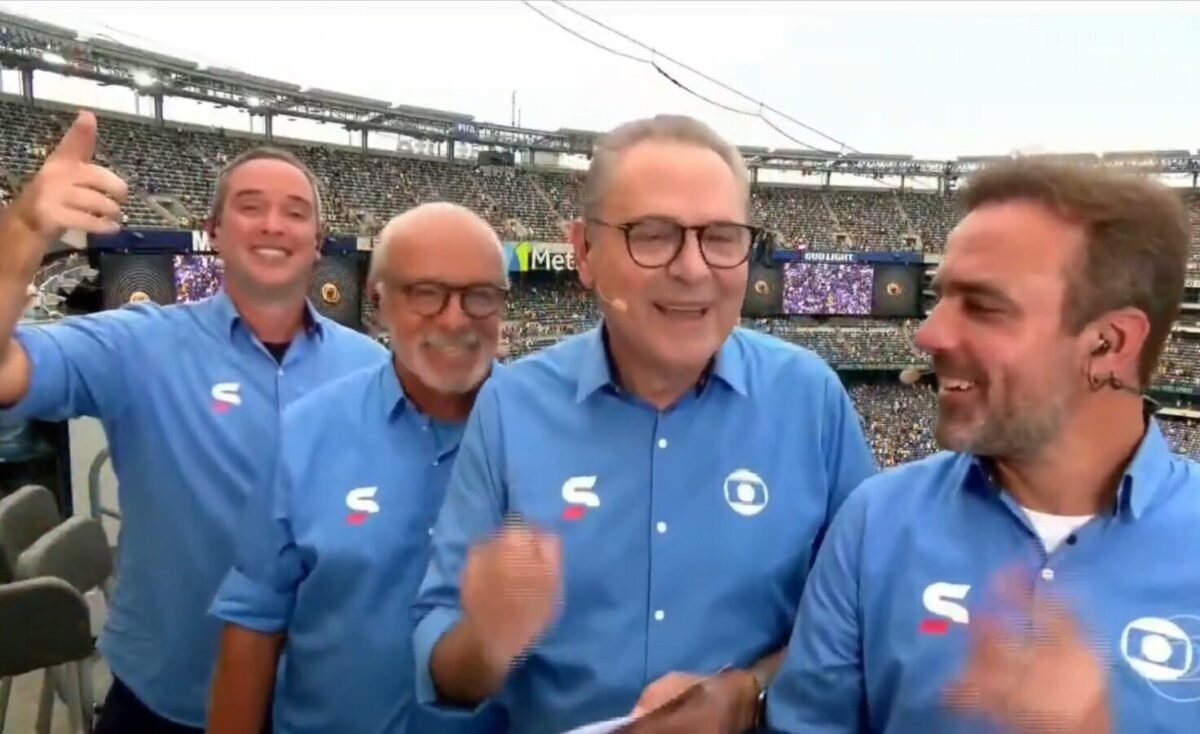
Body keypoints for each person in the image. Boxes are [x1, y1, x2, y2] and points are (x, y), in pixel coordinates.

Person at [411, 114, 878, 734]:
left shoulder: (810, 398)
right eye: (652, 235)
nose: (692, 268)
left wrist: (751, 692)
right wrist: (487, 643)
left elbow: (862, 623)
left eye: (720, 236)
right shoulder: (513, 406)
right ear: (582, 251)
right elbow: (442, 660)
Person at [766, 160, 1200, 733]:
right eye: (940, 297)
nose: (929, 334)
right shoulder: (878, 522)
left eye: (985, 306)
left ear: (1107, 343)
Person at [0, 111, 387, 733]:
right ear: (213, 231)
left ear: (318, 242)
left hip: (326, 706)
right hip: (167, 705)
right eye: (250, 206)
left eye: (294, 212)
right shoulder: (139, 345)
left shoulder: (375, 370)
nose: (272, 224)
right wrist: (23, 229)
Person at [205, 203, 508, 734]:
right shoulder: (305, 433)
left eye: (480, 295)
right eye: (426, 293)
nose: (456, 319)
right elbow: (255, 623)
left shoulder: (546, 433)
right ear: (379, 300)